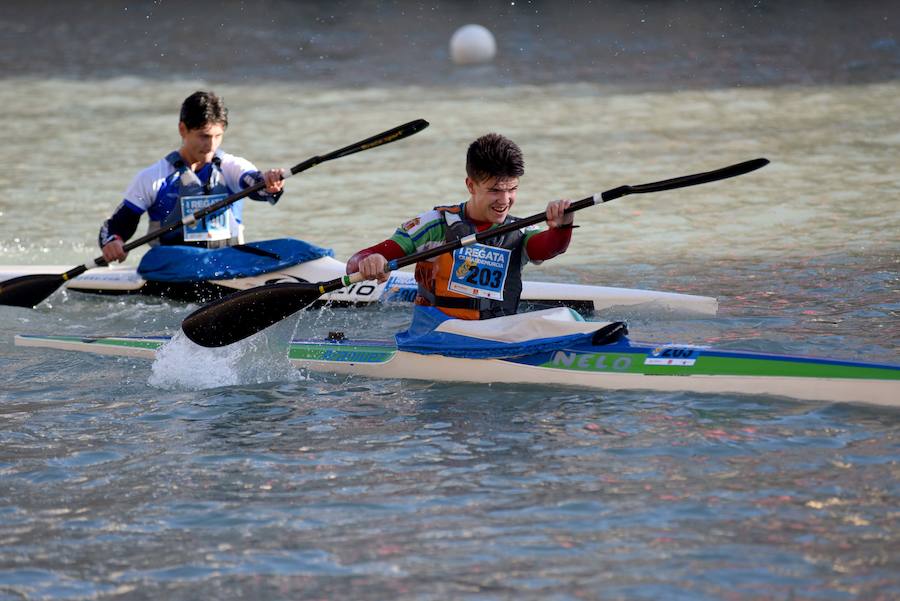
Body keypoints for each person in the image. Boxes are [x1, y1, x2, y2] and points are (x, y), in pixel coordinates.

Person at [347, 132, 574, 320]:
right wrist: (371, 261)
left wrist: (562, 227)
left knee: (567, 317)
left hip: (499, 335)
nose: (505, 200)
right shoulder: (434, 225)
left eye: (512, 189)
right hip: (435, 336)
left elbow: (548, 248)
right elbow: (356, 262)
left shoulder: (519, 231)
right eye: (495, 190)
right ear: (471, 186)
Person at [99, 90, 286, 263]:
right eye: (204, 136)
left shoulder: (232, 167)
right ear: (183, 130)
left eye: (217, 136)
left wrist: (270, 184)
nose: (211, 145)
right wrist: (113, 241)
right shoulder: (153, 178)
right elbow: (116, 226)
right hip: (173, 268)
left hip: (227, 264)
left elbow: (255, 185)